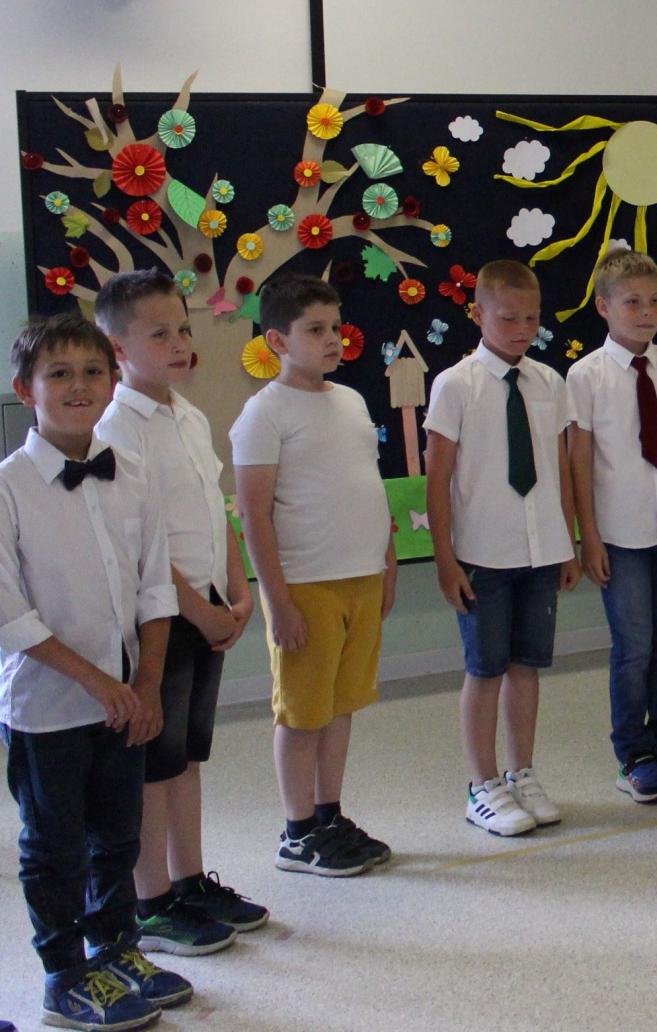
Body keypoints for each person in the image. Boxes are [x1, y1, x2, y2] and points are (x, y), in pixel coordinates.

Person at [2, 313, 191, 1030]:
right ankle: (63, 974)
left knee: (118, 835)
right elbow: (10, 613)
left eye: (91, 372)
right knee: (54, 847)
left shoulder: (130, 473)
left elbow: (155, 589)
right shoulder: (9, 487)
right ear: (26, 389)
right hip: (48, 707)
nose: (78, 386)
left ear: (112, 382)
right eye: (59, 374)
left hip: (124, 701)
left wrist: (146, 684)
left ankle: (114, 949)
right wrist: (100, 682)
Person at [95, 270, 268, 956]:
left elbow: (215, 510)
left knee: (187, 755)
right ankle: (151, 902)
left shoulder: (188, 415)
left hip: (206, 609)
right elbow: (136, 541)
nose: (177, 344)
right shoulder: (116, 428)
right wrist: (197, 611)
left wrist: (238, 590)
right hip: (162, 622)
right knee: (152, 763)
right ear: (118, 349)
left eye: (184, 330)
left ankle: (189, 880)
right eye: (159, 334)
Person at [231, 275, 397, 876]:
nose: (332, 339)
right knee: (303, 714)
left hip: (361, 578)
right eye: (315, 330)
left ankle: (329, 815)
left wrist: (387, 563)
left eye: (336, 327)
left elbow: (368, 487)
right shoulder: (264, 413)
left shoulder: (350, 400)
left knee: (341, 705)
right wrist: (278, 602)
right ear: (278, 340)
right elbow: (254, 514)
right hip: (305, 586)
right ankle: (297, 832)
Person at [425, 261, 580, 835]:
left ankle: (522, 773)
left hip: (540, 550)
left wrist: (568, 543)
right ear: (477, 314)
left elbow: (559, 468)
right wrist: (445, 560)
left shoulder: (549, 383)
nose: (522, 329)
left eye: (531, 319)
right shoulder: (455, 385)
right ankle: (482, 784)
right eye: (508, 318)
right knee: (485, 669)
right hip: (482, 555)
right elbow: (437, 479)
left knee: (526, 666)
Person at [570, 248, 657, 803]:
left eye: (653, 301)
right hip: (621, 534)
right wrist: (588, 534)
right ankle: (633, 754)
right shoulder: (585, 376)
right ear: (604, 307)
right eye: (632, 302)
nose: (646, 312)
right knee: (633, 649)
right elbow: (580, 459)